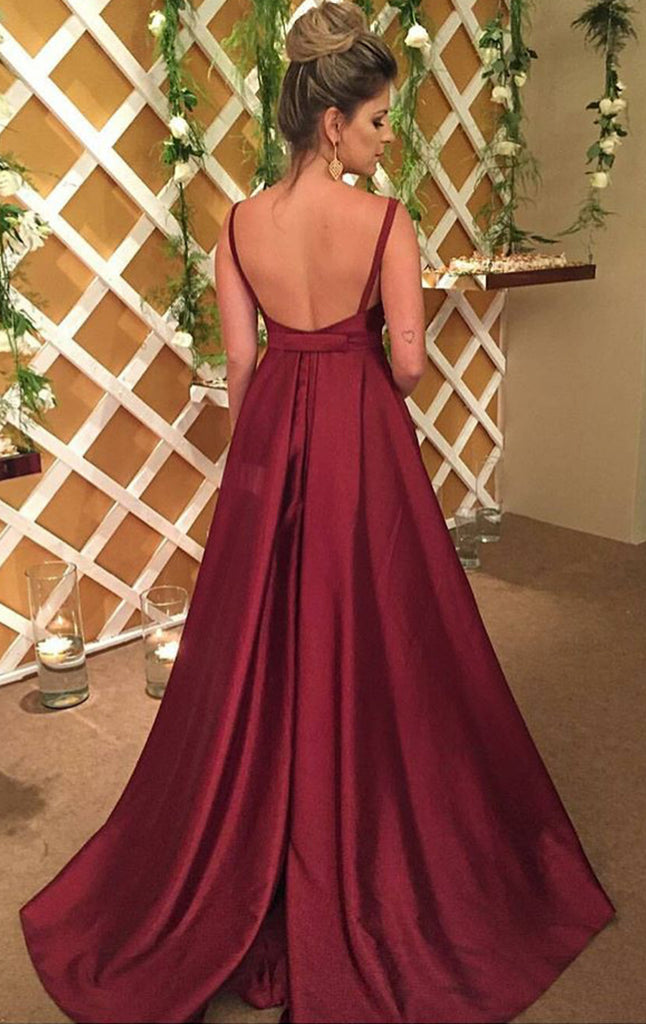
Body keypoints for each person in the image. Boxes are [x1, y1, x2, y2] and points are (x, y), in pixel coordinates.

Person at [19, 3, 616, 1023]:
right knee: (378, 619)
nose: (390, 138)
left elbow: (239, 361)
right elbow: (412, 361)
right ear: (334, 123)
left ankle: (245, 840)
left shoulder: (237, 223)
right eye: (379, 120)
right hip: (358, 430)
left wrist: (262, 452)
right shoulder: (385, 222)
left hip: (272, 436)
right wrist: (368, 376)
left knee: (260, 633)